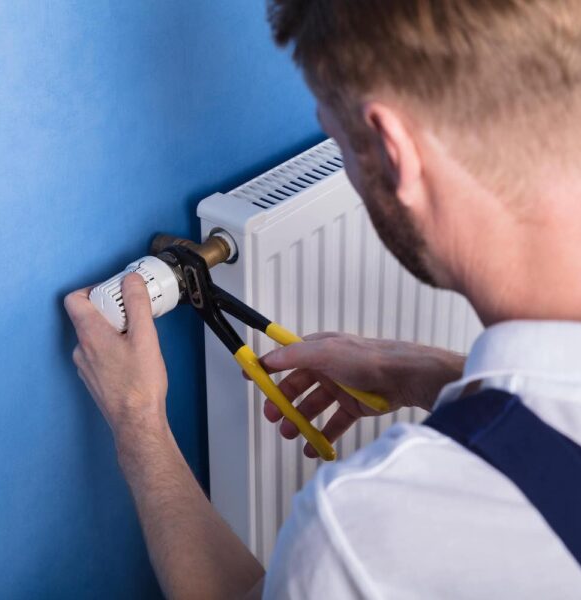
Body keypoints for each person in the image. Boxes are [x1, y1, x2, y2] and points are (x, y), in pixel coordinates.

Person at [64, 1, 581, 598]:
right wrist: (436, 375)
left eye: (337, 140)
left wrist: (138, 422)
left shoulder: (369, 537)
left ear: (392, 151)